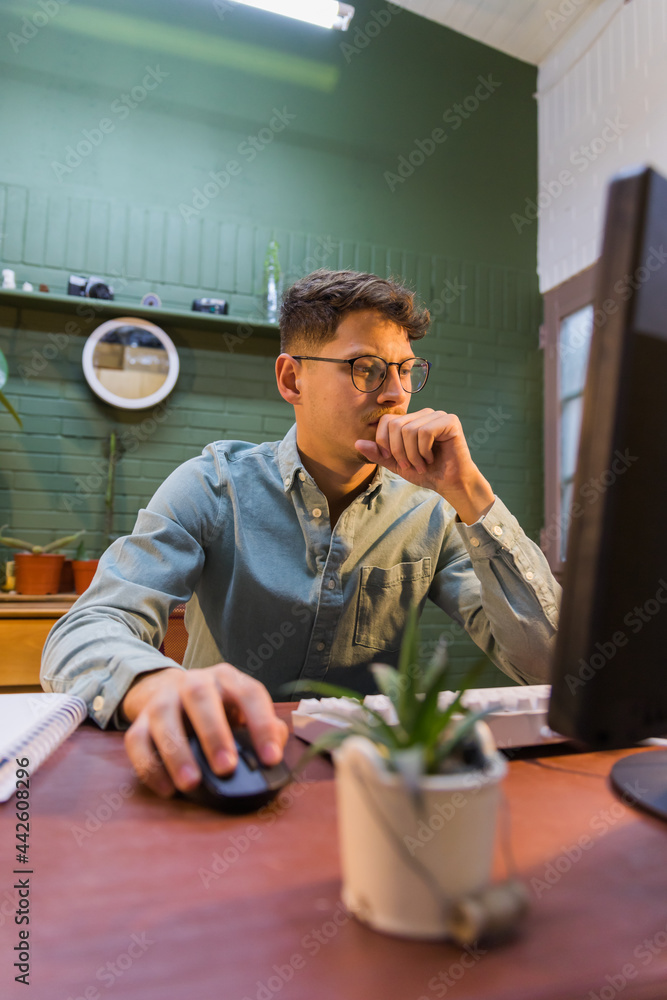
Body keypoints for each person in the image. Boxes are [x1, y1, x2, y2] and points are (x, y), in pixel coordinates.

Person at [42, 269, 561, 800]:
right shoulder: (213, 487)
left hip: (374, 788)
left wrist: (471, 494)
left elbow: (552, 668)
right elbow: (85, 629)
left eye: (406, 371)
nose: (396, 394)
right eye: (366, 369)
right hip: (226, 768)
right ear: (292, 380)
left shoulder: (433, 510)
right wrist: (154, 686)